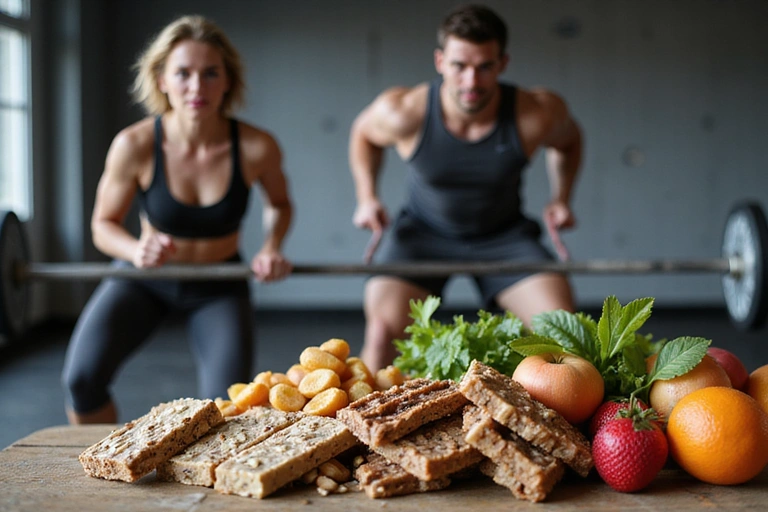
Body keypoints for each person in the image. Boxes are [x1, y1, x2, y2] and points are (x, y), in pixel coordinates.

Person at [61, 15, 293, 424]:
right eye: (182, 73)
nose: (196, 87)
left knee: (227, 407)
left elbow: (280, 204)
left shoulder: (257, 146)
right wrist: (136, 249)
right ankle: (109, 465)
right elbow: (103, 225)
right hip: (146, 278)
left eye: (210, 74)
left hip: (218, 283)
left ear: (227, 81)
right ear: (162, 80)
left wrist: (271, 245)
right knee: (81, 379)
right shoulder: (134, 145)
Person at [350, 4, 582, 372]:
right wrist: (366, 197)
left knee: (565, 338)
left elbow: (570, 140)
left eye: (484, 67)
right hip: (422, 235)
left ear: (502, 63)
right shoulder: (404, 111)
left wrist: (561, 198)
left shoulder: (536, 112)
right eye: (460, 66)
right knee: (380, 338)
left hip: (504, 237)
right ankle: (366, 429)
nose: (471, 81)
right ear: (441, 61)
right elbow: (364, 134)